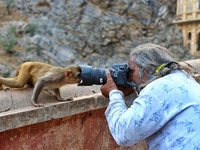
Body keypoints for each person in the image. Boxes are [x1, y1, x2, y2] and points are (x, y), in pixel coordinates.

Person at [100, 43, 200, 149]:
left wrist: (114, 94)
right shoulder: (182, 78)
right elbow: (144, 117)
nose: (129, 78)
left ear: (146, 71)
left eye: (132, 71)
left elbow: (123, 134)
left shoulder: (158, 88)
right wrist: (129, 95)